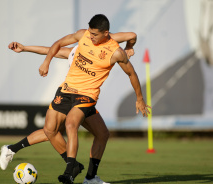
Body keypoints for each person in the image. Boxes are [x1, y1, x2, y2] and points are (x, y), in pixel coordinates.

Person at [0, 31, 138, 184]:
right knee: (53, 130)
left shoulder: (105, 43)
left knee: (100, 133)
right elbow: (50, 49)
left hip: (86, 98)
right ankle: (72, 168)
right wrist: (25, 48)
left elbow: (131, 36)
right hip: (71, 96)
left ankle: (88, 176)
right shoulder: (76, 51)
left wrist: (127, 49)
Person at [38, 14, 151, 184]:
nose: (91, 37)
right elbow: (59, 43)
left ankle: (69, 171)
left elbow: (131, 74)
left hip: (87, 96)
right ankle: (91, 178)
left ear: (106, 33)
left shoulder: (116, 52)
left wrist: (140, 98)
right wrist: (47, 61)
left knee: (70, 124)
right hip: (67, 91)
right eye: (90, 33)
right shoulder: (83, 35)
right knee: (102, 134)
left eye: (95, 34)